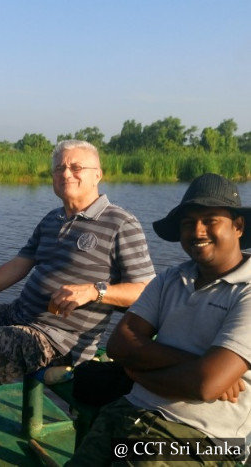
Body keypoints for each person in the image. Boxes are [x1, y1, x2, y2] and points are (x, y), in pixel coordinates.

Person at [0, 140, 156, 466]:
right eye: (59, 168)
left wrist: (94, 291)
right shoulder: (52, 219)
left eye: (76, 167)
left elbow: (146, 291)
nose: (65, 173)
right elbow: (19, 264)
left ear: (98, 174)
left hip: (57, 339)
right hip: (20, 315)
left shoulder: (120, 224)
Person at [68, 173, 251, 466]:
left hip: (202, 440)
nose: (198, 231)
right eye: (188, 223)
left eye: (209, 220)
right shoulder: (171, 278)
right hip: (130, 411)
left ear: (238, 226)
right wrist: (197, 365)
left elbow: (204, 387)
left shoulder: (247, 291)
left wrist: (137, 374)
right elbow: (120, 344)